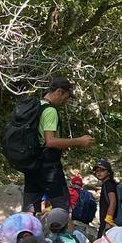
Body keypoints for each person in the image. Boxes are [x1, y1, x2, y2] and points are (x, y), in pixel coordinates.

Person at [22, 79, 94, 213]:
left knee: (30, 209)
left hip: (31, 166)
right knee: (62, 207)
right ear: (59, 92)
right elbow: (50, 141)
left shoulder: (35, 107)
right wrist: (79, 141)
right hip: (49, 168)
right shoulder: (50, 111)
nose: (65, 101)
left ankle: (28, 226)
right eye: (66, 97)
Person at [94, 158, 119, 232]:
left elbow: (113, 202)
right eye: (97, 171)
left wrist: (108, 222)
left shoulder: (109, 184)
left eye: (102, 170)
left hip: (109, 223)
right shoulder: (107, 184)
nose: (99, 173)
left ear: (108, 172)